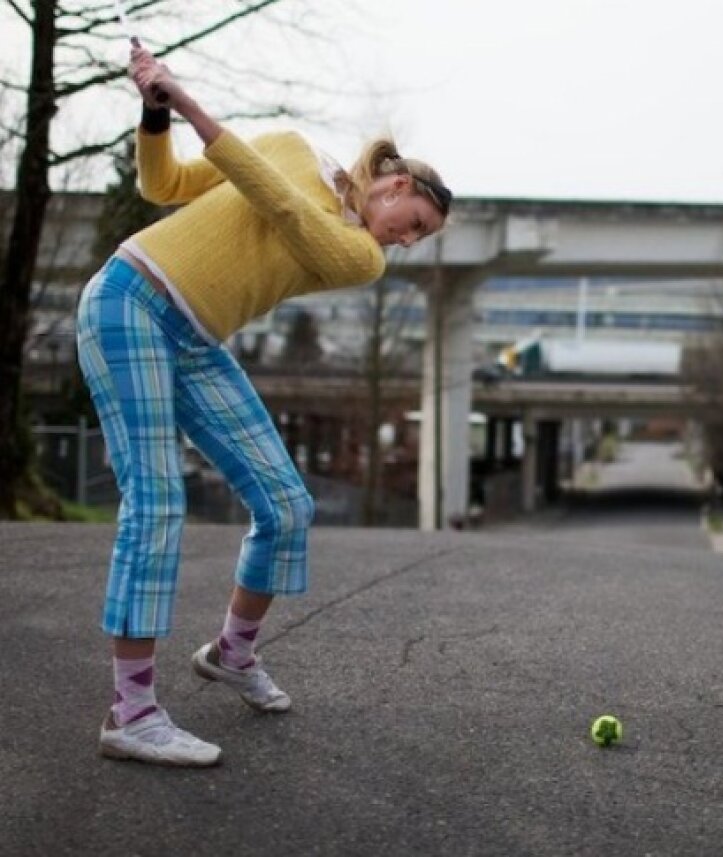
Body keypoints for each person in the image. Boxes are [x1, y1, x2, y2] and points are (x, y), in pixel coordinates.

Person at [78, 43, 452, 766]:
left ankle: (231, 651)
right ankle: (131, 712)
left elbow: (281, 207)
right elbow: (164, 184)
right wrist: (155, 114)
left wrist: (187, 100)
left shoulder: (360, 255)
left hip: (192, 339)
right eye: (413, 221)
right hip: (129, 301)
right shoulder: (289, 144)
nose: (405, 241)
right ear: (396, 180)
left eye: (419, 239)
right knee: (156, 502)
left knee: (286, 504)